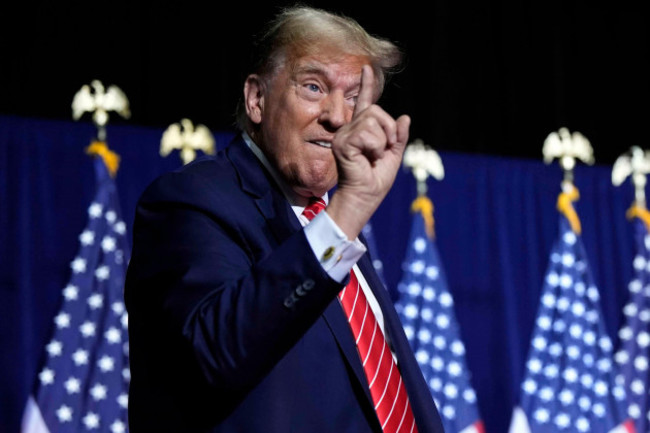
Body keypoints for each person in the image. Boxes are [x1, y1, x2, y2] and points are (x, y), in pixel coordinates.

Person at [124, 5, 445, 432]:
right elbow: (215, 352)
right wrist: (346, 210)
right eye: (314, 87)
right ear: (257, 99)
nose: (337, 117)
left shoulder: (333, 226)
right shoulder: (191, 201)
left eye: (353, 98)